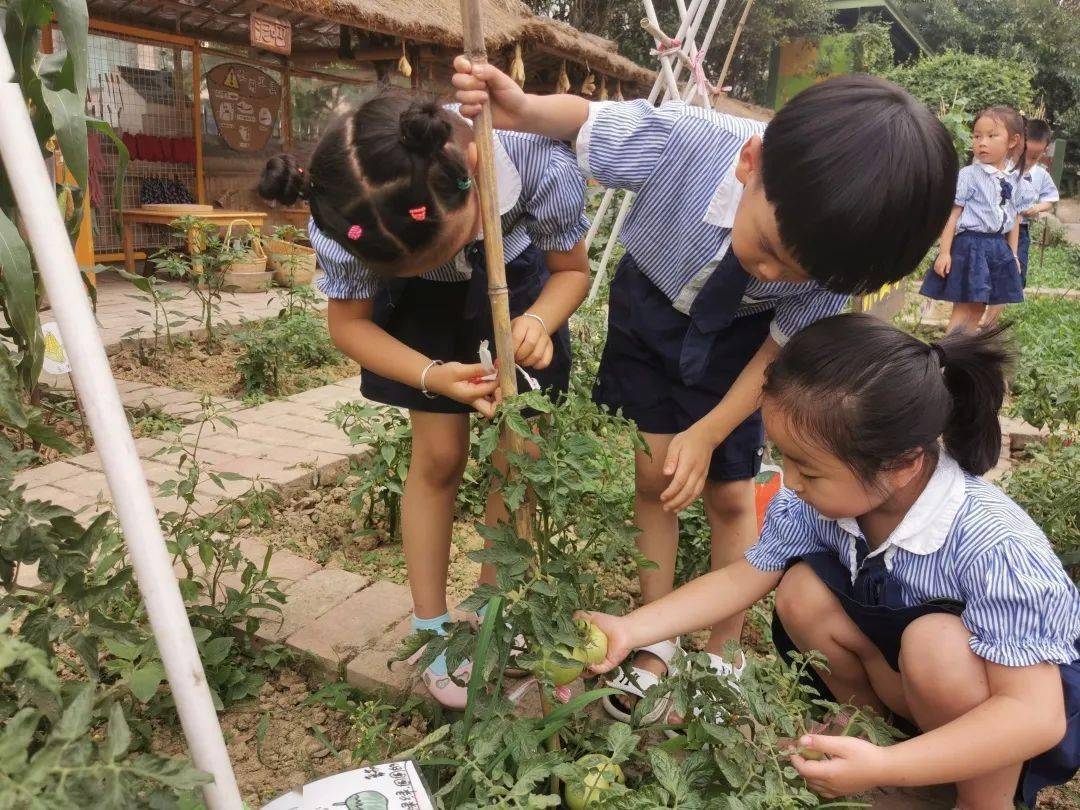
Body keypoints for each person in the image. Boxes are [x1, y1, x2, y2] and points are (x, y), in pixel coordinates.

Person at [453, 58, 959, 722]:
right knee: (653, 476)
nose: (775, 272)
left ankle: (722, 653)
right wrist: (517, 105)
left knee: (729, 493)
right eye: (772, 247)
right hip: (648, 313)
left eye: (798, 274)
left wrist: (712, 429)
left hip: (743, 346)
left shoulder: (832, 268)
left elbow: (778, 354)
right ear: (752, 162)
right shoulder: (690, 141)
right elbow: (589, 122)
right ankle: (656, 634)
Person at [580, 313, 1080, 809]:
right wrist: (632, 629)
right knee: (800, 590)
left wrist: (887, 770)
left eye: (809, 471)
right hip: (908, 685)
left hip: (997, 719)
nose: (790, 481)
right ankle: (872, 740)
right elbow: (742, 577)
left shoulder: (994, 546)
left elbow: (1035, 716)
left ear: (900, 465)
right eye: (784, 457)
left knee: (938, 646)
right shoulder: (814, 503)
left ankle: (977, 800)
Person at [258, 95, 591, 709]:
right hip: (425, 319)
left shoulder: (536, 163)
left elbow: (572, 270)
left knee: (518, 458)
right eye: (420, 260)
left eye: (447, 245)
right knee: (437, 458)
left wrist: (539, 322)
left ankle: (495, 605)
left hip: (518, 294)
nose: (445, 259)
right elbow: (349, 326)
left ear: (473, 167)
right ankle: (434, 626)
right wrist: (431, 374)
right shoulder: (348, 215)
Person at [921, 106, 1026, 333]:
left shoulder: (1014, 178)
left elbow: (1014, 219)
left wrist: (1013, 254)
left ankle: (963, 358)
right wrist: (944, 252)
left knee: (979, 307)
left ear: (1012, 141)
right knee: (964, 307)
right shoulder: (969, 175)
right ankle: (946, 361)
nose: (982, 142)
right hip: (971, 246)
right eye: (977, 136)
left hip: (997, 248)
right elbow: (953, 215)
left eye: (991, 135)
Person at [983, 119, 1060, 327]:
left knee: (1013, 273)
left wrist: (1036, 208)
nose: (1031, 158)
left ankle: (989, 323)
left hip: (1021, 229)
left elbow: (1051, 200)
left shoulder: (1041, 175)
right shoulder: (1005, 166)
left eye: (1036, 154)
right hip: (996, 228)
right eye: (1028, 152)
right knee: (987, 270)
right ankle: (980, 315)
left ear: (1045, 148)